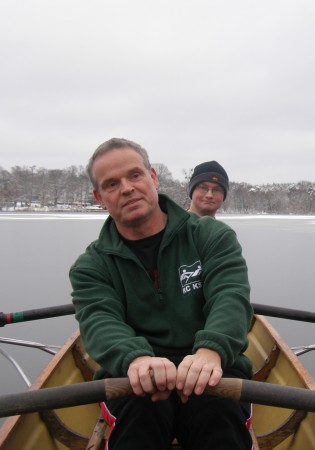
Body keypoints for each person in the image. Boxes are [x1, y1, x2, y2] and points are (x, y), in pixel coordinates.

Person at [70, 138, 253, 450]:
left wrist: (212, 351)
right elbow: (99, 321)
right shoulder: (90, 266)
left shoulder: (212, 236)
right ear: (99, 197)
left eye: (135, 175)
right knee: (139, 420)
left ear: (153, 178)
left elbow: (230, 296)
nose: (127, 188)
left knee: (218, 417)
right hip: (134, 378)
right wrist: (136, 358)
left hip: (211, 370)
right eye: (112, 184)